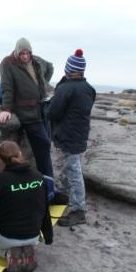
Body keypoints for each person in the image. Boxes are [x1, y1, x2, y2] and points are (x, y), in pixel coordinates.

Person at [0, 37, 65, 203]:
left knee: (45, 144)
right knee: (43, 145)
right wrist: (6, 109)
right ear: (17, 51)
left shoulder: (36, 61)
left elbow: (50, 66)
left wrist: (43, 83)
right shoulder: (7, 64)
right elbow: (7, 87)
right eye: (22, 53)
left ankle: (47, 187)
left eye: (28, 53)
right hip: (26, 113)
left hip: (42, 109)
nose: (25, 56)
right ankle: (48, 191)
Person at [0, 140, 53, 272]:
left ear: (1, 160)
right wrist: (48, 236)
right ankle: (26, 253)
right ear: (20, 153)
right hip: (34, 236)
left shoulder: (1, 179)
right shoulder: (38, 176)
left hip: (8, 236)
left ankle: (8, 254)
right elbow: (45, 209)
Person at [47, 49, 96, 226]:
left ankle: (78, 211)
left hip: (68, 136)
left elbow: (53, 112)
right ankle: (68, 198)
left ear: (68, 69)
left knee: (73, 172)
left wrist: (47, 106)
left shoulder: (66, 88)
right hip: (80, 135)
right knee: (71, 168)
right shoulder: (89, 89)